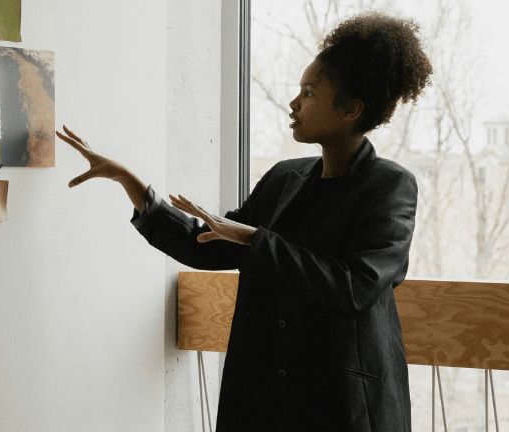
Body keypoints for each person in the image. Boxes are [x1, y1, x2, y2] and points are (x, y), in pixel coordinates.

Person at [57, 11, 431, 432]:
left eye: (309, 92)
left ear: (351, 109)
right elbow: (209, 243)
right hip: (261, 396)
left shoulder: (390, 186)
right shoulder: (285, 177)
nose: (294, 102)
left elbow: (354, 287)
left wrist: (256, 241)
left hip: (341, 406)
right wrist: (131, 184)